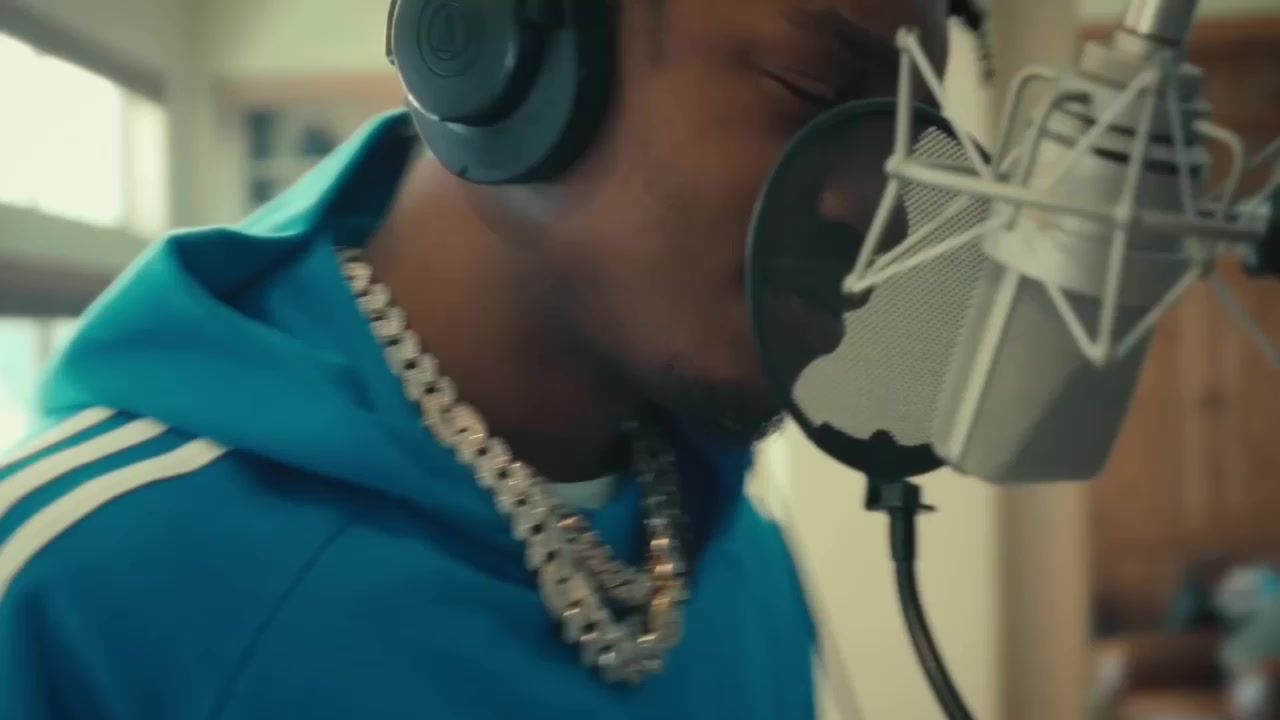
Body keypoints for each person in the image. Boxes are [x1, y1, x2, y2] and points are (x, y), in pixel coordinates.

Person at [0, 0, 948, 717]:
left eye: (904, 142)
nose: (882, 217)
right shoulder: (76, 591)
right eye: (811, 91)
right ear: (507, 40)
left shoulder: (747, 572)